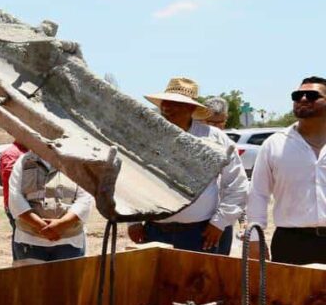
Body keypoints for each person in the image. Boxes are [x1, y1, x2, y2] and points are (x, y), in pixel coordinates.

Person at [128, 78, 247, 254]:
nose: (167, 108)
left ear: (191, 108)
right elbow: (133, 178)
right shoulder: (147, 136)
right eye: (165, 102)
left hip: (201, 234)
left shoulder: (215, 138)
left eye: (175, 103)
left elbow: (237, 183)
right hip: (154, 232)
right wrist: (134, 220)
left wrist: (220, 223)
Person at [247, 76, 326, 265]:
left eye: (312, 95)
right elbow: (258, 193)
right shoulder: (274, 144)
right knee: (289, 295)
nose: (303, 99)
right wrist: (255, 239)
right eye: (297, 95)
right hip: (291, 243)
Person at [8, 150, 94, 263]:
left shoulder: (77, 162)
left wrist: (61, 224)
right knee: (31, 280)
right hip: (29, 241)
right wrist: (40, 226)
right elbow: (15, 198)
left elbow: (85, 198)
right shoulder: (24, 161)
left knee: (67, 281)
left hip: (70, 242)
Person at [0, 141, 27, 257]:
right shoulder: (12, 153)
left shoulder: (26, 151)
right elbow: (10, 179)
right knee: (21, 239)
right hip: (16, 205)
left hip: (23, 203)